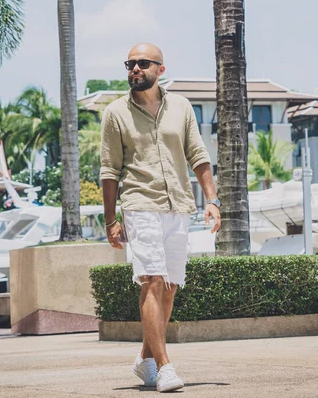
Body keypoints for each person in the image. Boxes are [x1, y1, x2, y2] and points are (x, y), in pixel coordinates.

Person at [100, 43, 221, 393]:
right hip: (140, 204)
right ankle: (166, 367)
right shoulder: (115, 113)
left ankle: (145, 360)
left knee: (169, 287)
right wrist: (111, 220)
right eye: (130, 64)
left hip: (179, 206)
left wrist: (212, 200)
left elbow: (198, 155)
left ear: (160, 69)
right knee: (152, 280)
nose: (135, 69)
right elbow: (110, 170)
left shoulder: (181, 107)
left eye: (142, 63)